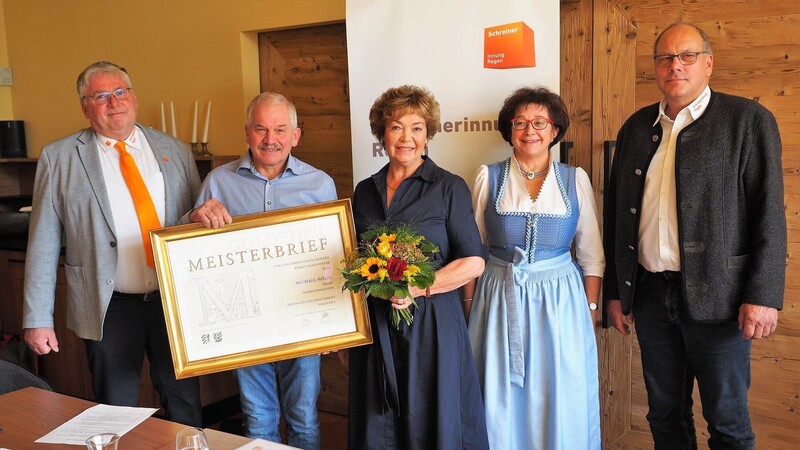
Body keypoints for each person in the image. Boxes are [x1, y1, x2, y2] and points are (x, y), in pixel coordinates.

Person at [603, 22, 785, 449]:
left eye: (686, 56)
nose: (675, 66)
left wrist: (763, 295)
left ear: (708, 63)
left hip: (721, 299)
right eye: (665, 58)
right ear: (655, 68)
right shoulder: (636, 127)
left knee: (727, 421)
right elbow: (618, 217)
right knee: (664, 414)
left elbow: (769, 215)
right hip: (650, 295)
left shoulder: (748, 121)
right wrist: (618, 290)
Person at [22, 61, 217, 425]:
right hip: (108, 307)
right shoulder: (60, 156)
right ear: (85, 107)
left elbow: (193, 220)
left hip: (172, 301)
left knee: (185, 402)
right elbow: (44, 240)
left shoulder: (172, 149)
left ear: (134, 97)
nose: (114, 102)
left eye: (120, 92)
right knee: (115, 409)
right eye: (101, 96)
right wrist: (37, 318)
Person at [188, 92, 336, 450]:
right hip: (245, 324)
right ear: (247, 133)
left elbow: (334, 259)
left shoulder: (320, 185)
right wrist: (193, 219)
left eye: (280, 130)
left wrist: (335, 322)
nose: (271, 139)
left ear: (295, 135)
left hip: (302, 321)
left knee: (303, 417)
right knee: (258, 418)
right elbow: (190, 249)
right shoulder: (217, 183)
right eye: (261, 129)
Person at [345, 85, 489, 449]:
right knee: (378, 426)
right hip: (377, 329)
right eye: (396, 127)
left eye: (417, 128)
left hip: (433, 326)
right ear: (382, 133)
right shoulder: (364, 191)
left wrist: (417, 287)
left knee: (433, 420)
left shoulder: (448, 187)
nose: (406, 138)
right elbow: (353, 262)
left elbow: (473, 261)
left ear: (428, 135)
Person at [466, 86, 604, 450]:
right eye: (521, 122)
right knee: (499, 392)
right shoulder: (488, 177)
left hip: (561, 302)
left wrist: (590, 309)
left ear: (555, 130)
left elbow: (591, 255)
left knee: (558, 389)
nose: (531, 130)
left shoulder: (575, 180)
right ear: (509, 130)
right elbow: (472, 251)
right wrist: (468, 307)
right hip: (498, 295)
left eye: (540, 122)